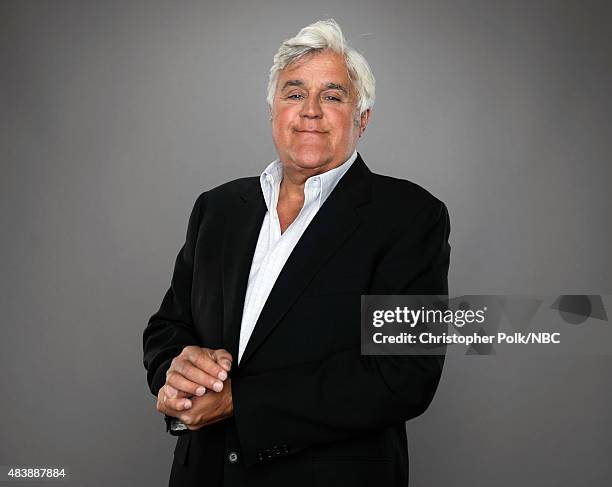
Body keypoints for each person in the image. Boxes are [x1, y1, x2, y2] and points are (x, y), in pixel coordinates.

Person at [143, 18, 450, 487]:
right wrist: (177, 374)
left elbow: (405, 376)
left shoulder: (411, 217)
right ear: (272, 111)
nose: (310, 110)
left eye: (332, 95)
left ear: (362, 119)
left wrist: (238, 402)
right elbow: (168, 326)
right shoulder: (218, 208)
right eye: (293, 93)